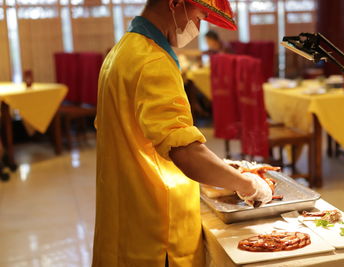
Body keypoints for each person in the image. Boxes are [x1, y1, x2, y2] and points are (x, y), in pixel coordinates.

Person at [92, 0, 272, 266]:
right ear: (175, 4)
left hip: (125, 218)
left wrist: (219, 169)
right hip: (157, 233)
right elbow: (185, 152)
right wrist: (248, 185)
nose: (197, 28)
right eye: (199, 16)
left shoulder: (121, 51)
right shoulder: (152, 60)